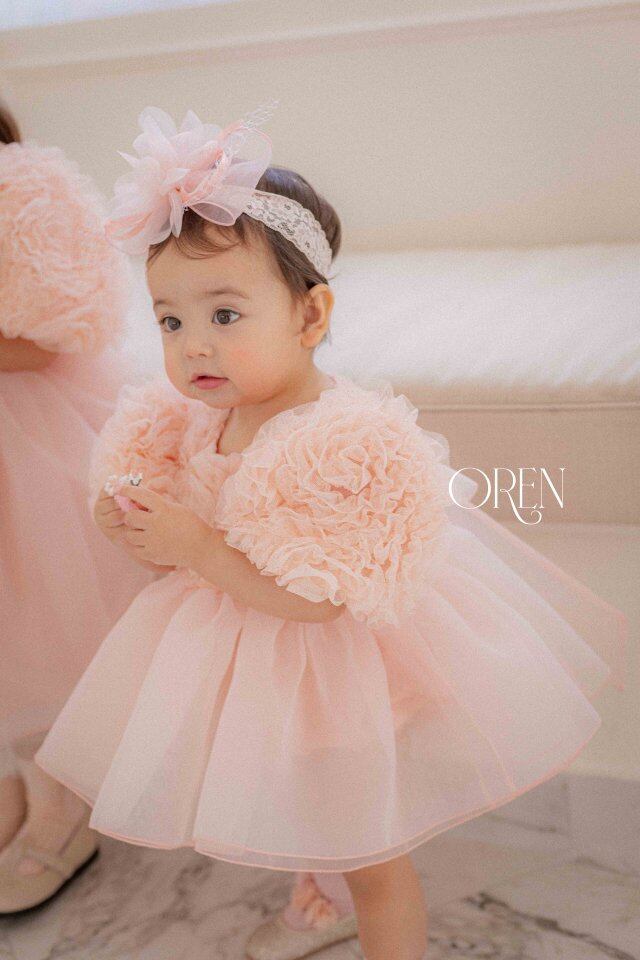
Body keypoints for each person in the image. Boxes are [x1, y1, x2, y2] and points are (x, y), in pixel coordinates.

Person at [34, 102, 627, 960]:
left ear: (310, 317)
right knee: (299, 801)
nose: (192, 346)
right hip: (248, 652)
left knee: (367, 845)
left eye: (225, 315)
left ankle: (379, 924)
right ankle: (320, 895)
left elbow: (317, 605)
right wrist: (136, 522)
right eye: (170, 320)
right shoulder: (194, 417)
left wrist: (198, 547)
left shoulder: (342, 443)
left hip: (333, 664)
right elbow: (169, 517)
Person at [0, 101, 157, 913]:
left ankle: (60, 803)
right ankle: (14, 788)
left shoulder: (23, 189)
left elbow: (66, 332)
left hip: (28, 427)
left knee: (39, 627)